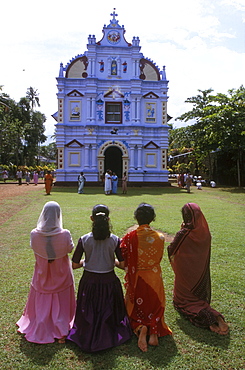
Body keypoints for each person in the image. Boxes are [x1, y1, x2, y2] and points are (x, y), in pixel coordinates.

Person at [67, 204, 132, 352]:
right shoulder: (115, 240)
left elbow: (75, 265)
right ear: (108, 219)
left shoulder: (84, 240)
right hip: (109, 282)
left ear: (91, 219)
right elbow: (122, 265)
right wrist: (111, 262)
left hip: (89, 282)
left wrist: (87, 262)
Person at [16, 201, 76, 343]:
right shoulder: (65, 234)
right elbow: (69, 249)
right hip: (61, 275)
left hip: (42, 275)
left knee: (43, 293)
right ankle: (62, 322)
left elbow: (35, 248)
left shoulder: (34, 234)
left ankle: (41, 320)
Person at [167, 203, 229, 335]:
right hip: (199, 273)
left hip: (186, 273)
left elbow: (171, 250)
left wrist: (181, 230)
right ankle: (216, 317)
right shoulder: (205, 233)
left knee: (182, 302)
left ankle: (210, 319)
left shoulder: (185, 233)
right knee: (199, 301)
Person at [120, 203, 172, 352]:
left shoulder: (129, 237)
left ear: (136, 218)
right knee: (155, 305)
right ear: (152, 218)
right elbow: (159, 257)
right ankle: (154, 330)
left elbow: (124, 258)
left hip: (137, 278)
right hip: (154, 277)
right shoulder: (160, 237)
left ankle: (140, 327)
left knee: (132, 308)